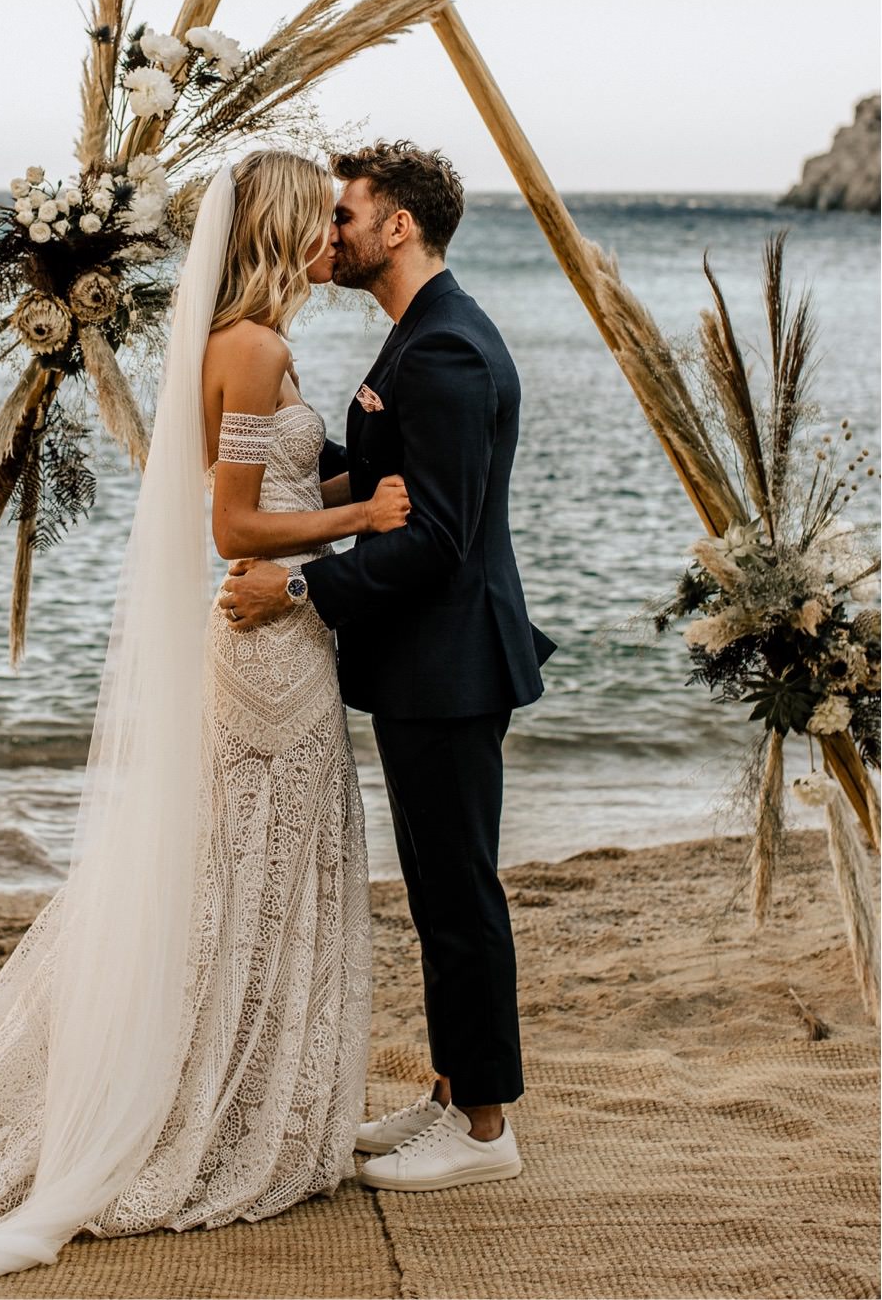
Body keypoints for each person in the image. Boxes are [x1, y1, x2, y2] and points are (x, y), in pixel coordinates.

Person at [0, 150, 408, 1299]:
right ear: (284, 226)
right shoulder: (251, 350)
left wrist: (346, 489)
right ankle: (220, 1111)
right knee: (248, 871)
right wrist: (364, 508)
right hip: (265, 653)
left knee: (254, 874)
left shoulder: (240, 345)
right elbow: (236, 528)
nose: (325, 241)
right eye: (316, 221)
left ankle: (240, 1094)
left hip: (284, 650)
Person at [221, 139, 557, 1194]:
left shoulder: (446, 349)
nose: (332, 233)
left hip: (451, 664)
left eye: (347, 214)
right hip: (427, 663)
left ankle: (487, 1130)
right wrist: (276, 455)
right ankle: (454, 1091)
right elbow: (376, 480)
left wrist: (301, 587)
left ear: (396, 226)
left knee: (457, 892)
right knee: (435, 885)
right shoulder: (417, 336)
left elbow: (436, 538)